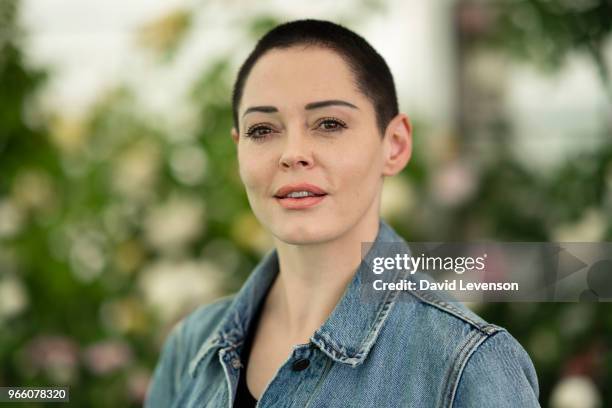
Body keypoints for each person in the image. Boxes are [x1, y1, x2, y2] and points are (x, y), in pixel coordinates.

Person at [144, 19, 540, 407]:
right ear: (238, 149)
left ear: (395, 145)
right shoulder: (192, 346)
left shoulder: (466, 363)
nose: (293, 153)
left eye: (329, 123)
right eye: (262, 130)